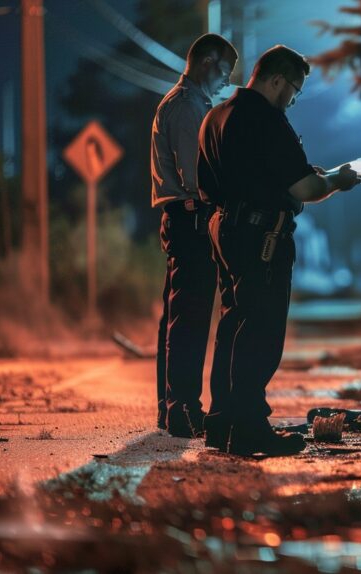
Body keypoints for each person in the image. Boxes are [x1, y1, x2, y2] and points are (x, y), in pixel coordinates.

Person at [198, 45, 361, 456]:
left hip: (224, 229)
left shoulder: (215, 117)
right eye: (294, 89)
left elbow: (219, 184)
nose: (293, 98)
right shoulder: (267, 120)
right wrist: (338, 181)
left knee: (233, 326)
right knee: (261, 332)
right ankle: (250, 427)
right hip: (262, 238)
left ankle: (222, 423)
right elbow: (304, 188)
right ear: (275, 80)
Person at [150, 34, 238, 437]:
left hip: (185, 218)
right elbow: (195, 175)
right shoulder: (187, 108)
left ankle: (172, 409)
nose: (225, 81)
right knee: (189, 319)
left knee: (178, 317)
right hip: (191, 218)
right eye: (223, 71)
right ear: (206, 62)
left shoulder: (188, 103)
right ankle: (182, 410)